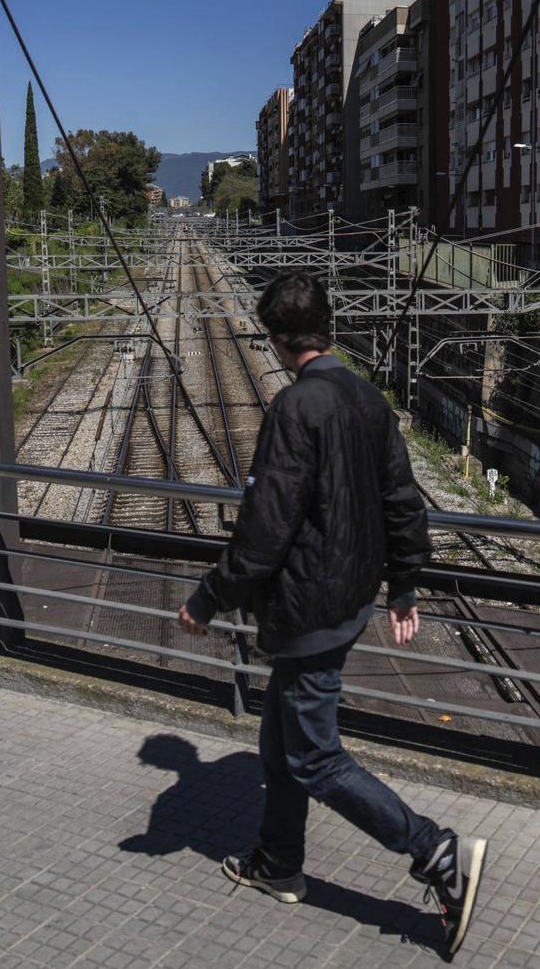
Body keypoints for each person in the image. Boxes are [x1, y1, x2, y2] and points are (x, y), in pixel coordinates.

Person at [179, 270, 486, 955]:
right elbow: (403, 499)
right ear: (328, 328)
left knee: (316, 757)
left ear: (280, 341)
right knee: (278, 744)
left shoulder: (296, 409)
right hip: (346, 599)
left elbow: (264, 528)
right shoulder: (367, 399)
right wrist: (404, 582)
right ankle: (279, 863)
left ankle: (436, 853)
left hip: (308, 608)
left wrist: (208, 596)